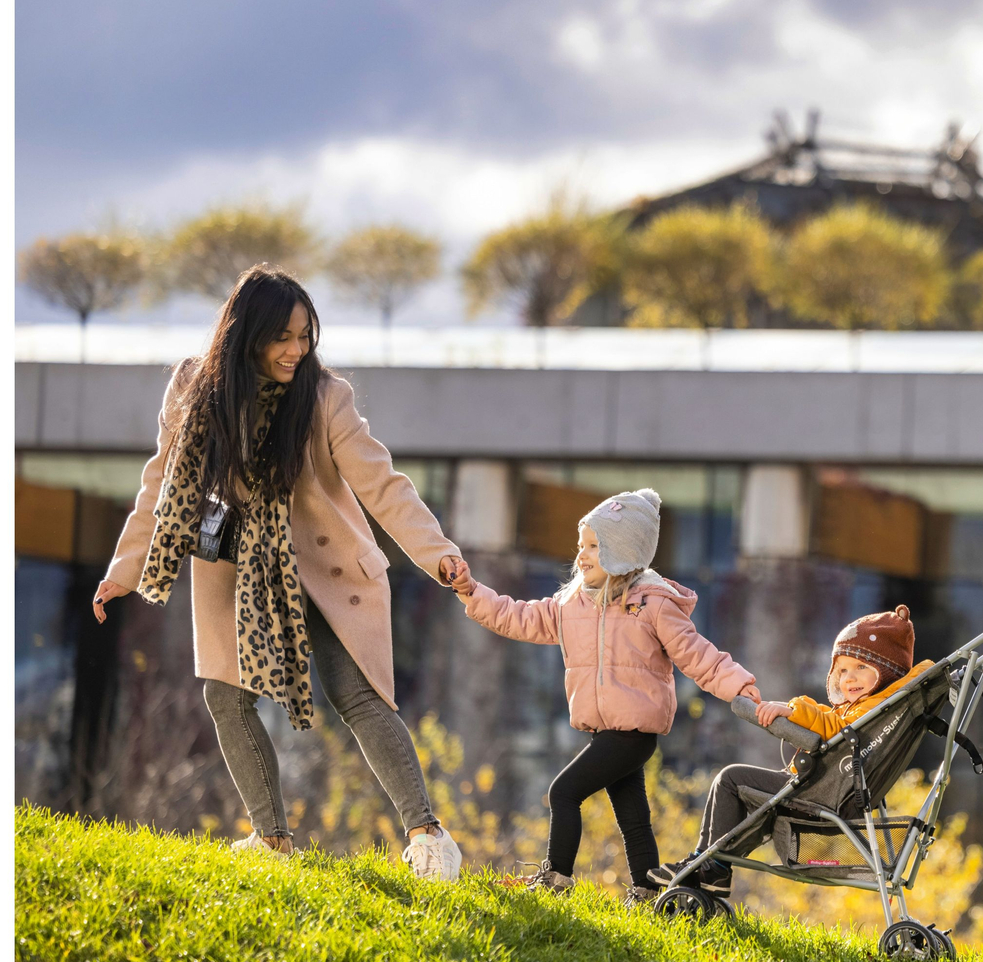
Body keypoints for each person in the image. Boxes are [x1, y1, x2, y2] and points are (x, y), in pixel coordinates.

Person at [95, 264, 472, 881]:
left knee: (357, 695)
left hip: (325, 567)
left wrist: (436, 552)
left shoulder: (325, 398)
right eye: (284, 337)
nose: (298, 350)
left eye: (306, 337)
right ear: (248, 335)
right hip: (240, 569)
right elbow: (161, 483)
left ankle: (429, 838)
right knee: (225, 694)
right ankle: (271, 839)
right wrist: (125, 568)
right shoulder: (194, 391)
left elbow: (382, 484)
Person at [459, 488, 759, 906]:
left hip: (633, 733)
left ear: (623, 552)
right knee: (633, 817)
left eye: (594, 546)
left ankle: (557, 878)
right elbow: (517, 616)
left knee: (563, 793)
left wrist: (740, 688)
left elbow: (698, 656)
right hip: (604, 732)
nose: (581, 555)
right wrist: (472, 593)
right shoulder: (570, 604)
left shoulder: (652, 604)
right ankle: (650, 893)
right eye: (581, 545)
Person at [650, 605, 932, 899]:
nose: (849, 678)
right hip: (829, 788)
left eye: (862, 668)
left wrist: (793, 709)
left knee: (730, 780)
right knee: (743, 790)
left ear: (887, 672)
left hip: (820, 792)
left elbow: (834, 725)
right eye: (843, 670)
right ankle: (707, 864)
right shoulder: (873, 709)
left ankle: (711, 865)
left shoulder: (873, 709)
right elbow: (835, 719)